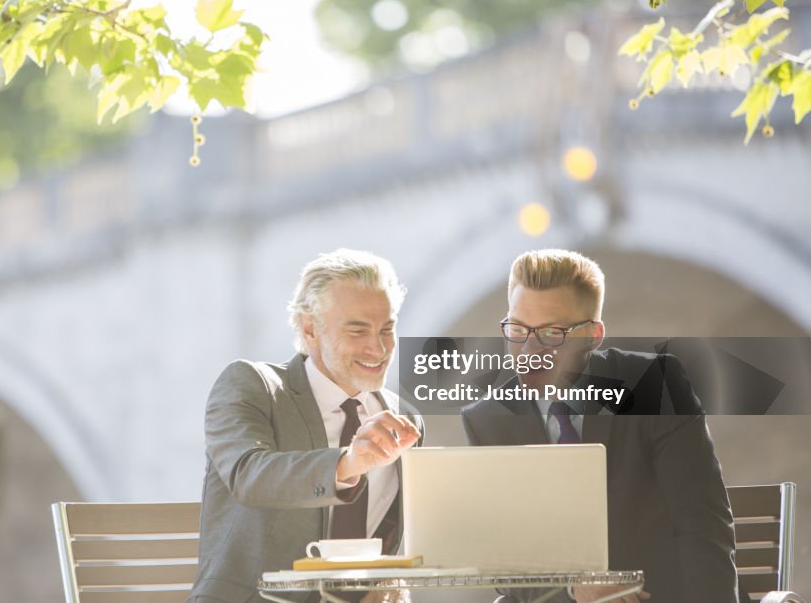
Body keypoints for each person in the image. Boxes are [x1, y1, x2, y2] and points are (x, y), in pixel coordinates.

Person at [461, 249, 741, 603]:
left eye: (552, 332)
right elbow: (505, 564)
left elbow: (702, 526)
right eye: (517, 329)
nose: (529, 349)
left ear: (593, 336)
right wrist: (571, 589)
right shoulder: (488, 421)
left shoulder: (655, 386)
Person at [189, 249, 423, 603]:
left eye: (387, 330)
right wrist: (347, 463)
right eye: (357, 330)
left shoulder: (404, 417)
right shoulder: (253, 386)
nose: (378, 348)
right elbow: (249, 475)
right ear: (310, 328)